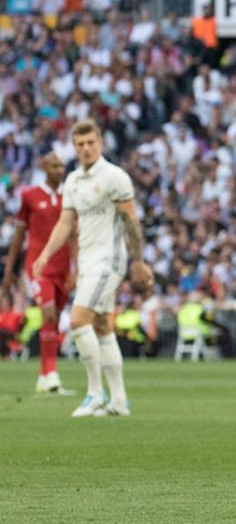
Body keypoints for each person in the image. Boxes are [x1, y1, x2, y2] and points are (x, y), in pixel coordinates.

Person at [33, 120, 154, 417]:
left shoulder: (115, 177)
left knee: (77, 320)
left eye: (90, 143)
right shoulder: (73, 181)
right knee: (101, 326)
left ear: (100, 143)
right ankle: (120, 400)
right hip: (86, 259)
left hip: (109, 259)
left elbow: (131, 221)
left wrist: (138, 261)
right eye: (80, 144)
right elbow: (65, 223)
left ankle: (94, 393)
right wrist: (46, 254)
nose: (86, 149)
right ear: (74, 147)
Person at [2, 153, 75, 394]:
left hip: (63, 268)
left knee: (52, 320)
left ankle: (44, 376)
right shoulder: (29, 196)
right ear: (44, 167)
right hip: (38, 267)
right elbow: (19, 237)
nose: (59, 169)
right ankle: (52, 373)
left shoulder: (70, 196)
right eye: (54, 165)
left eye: (61, 165)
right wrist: (9, 272)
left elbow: (75, 235)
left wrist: (76, 268)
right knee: (49, 313)